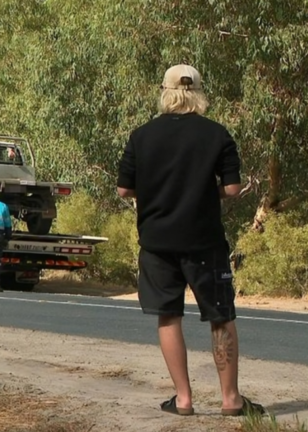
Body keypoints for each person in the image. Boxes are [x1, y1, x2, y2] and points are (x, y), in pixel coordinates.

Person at [116, 64, 265, 417]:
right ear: (199, 93)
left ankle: (182, 399)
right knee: (220, 317)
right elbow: (231, 188)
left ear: (165, 91)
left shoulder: (142, 135)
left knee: (169, 317)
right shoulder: (217, 134)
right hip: (204, 241)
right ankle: (231, 400)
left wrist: (155, 193)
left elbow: (124, 188)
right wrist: (200, 192)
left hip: (156, 243)